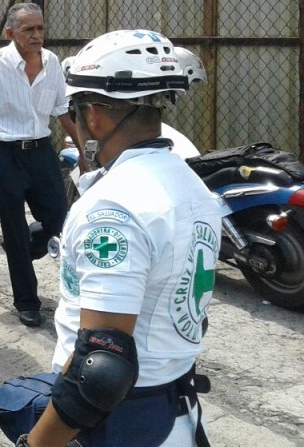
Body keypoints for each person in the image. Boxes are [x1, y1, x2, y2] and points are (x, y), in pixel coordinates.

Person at [19, 30, 223, 447]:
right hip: (175, 406)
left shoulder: (113, 208)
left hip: (121, 421)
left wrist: (38, 445)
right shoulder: (191, 184)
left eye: (75, 110)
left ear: (92, 115)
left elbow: (102, 367)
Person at [0, 2, 87, 327]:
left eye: (40, 28)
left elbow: (63, 112)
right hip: (5, 154)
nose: (37, 35)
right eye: (28, 29)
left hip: (40, 152)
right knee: (13, 226)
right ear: (11, 33)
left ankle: (23, 246)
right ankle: (26, 301)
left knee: (59, 220)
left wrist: (85, 153)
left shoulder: (52, 64)